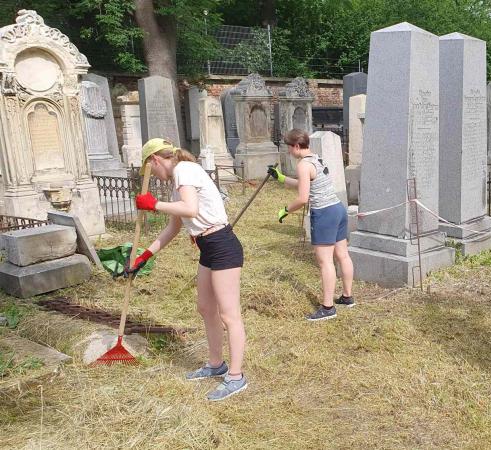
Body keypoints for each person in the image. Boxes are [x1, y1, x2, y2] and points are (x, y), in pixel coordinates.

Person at [127, 138, 248, 401]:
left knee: (229, 315)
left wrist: (153, 205)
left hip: (223, 245)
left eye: (151, 170)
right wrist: (145, 256)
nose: (155, 177)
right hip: (207, 247)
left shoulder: (184, 169)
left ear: (155, 161)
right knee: (205, 308)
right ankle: (216, 364)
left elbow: (190, 210)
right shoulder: (176, 185)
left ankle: (236, 377)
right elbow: (174, 228)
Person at [270, 129, 354, 321]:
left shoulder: (302, 165)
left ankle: (327, 308)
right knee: (342, 255)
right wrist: (281, 178)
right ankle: (348, 297)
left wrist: (285, 210)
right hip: (337, 209)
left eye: (289, 148)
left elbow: (302, 198)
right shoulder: (317, 159)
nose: (289, 151)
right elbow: (306, 183)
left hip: (324, 214)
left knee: (325, 262)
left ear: (297, 146)